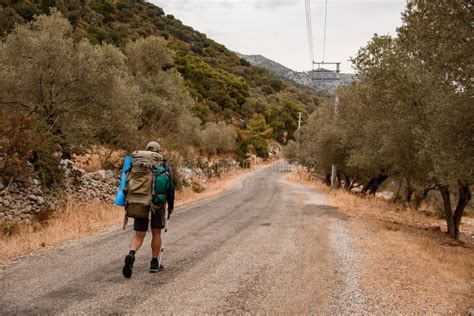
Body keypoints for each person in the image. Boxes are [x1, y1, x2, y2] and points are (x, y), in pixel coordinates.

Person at [122, 141, 175, 278]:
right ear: (159, 151)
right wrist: (171, 206)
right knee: (156, 233)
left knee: (138, 235)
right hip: (157, 205)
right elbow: (170, 188)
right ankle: (154, 262)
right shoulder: (162, 164)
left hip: (139, 203)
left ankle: (131, 254)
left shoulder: (136, 163)